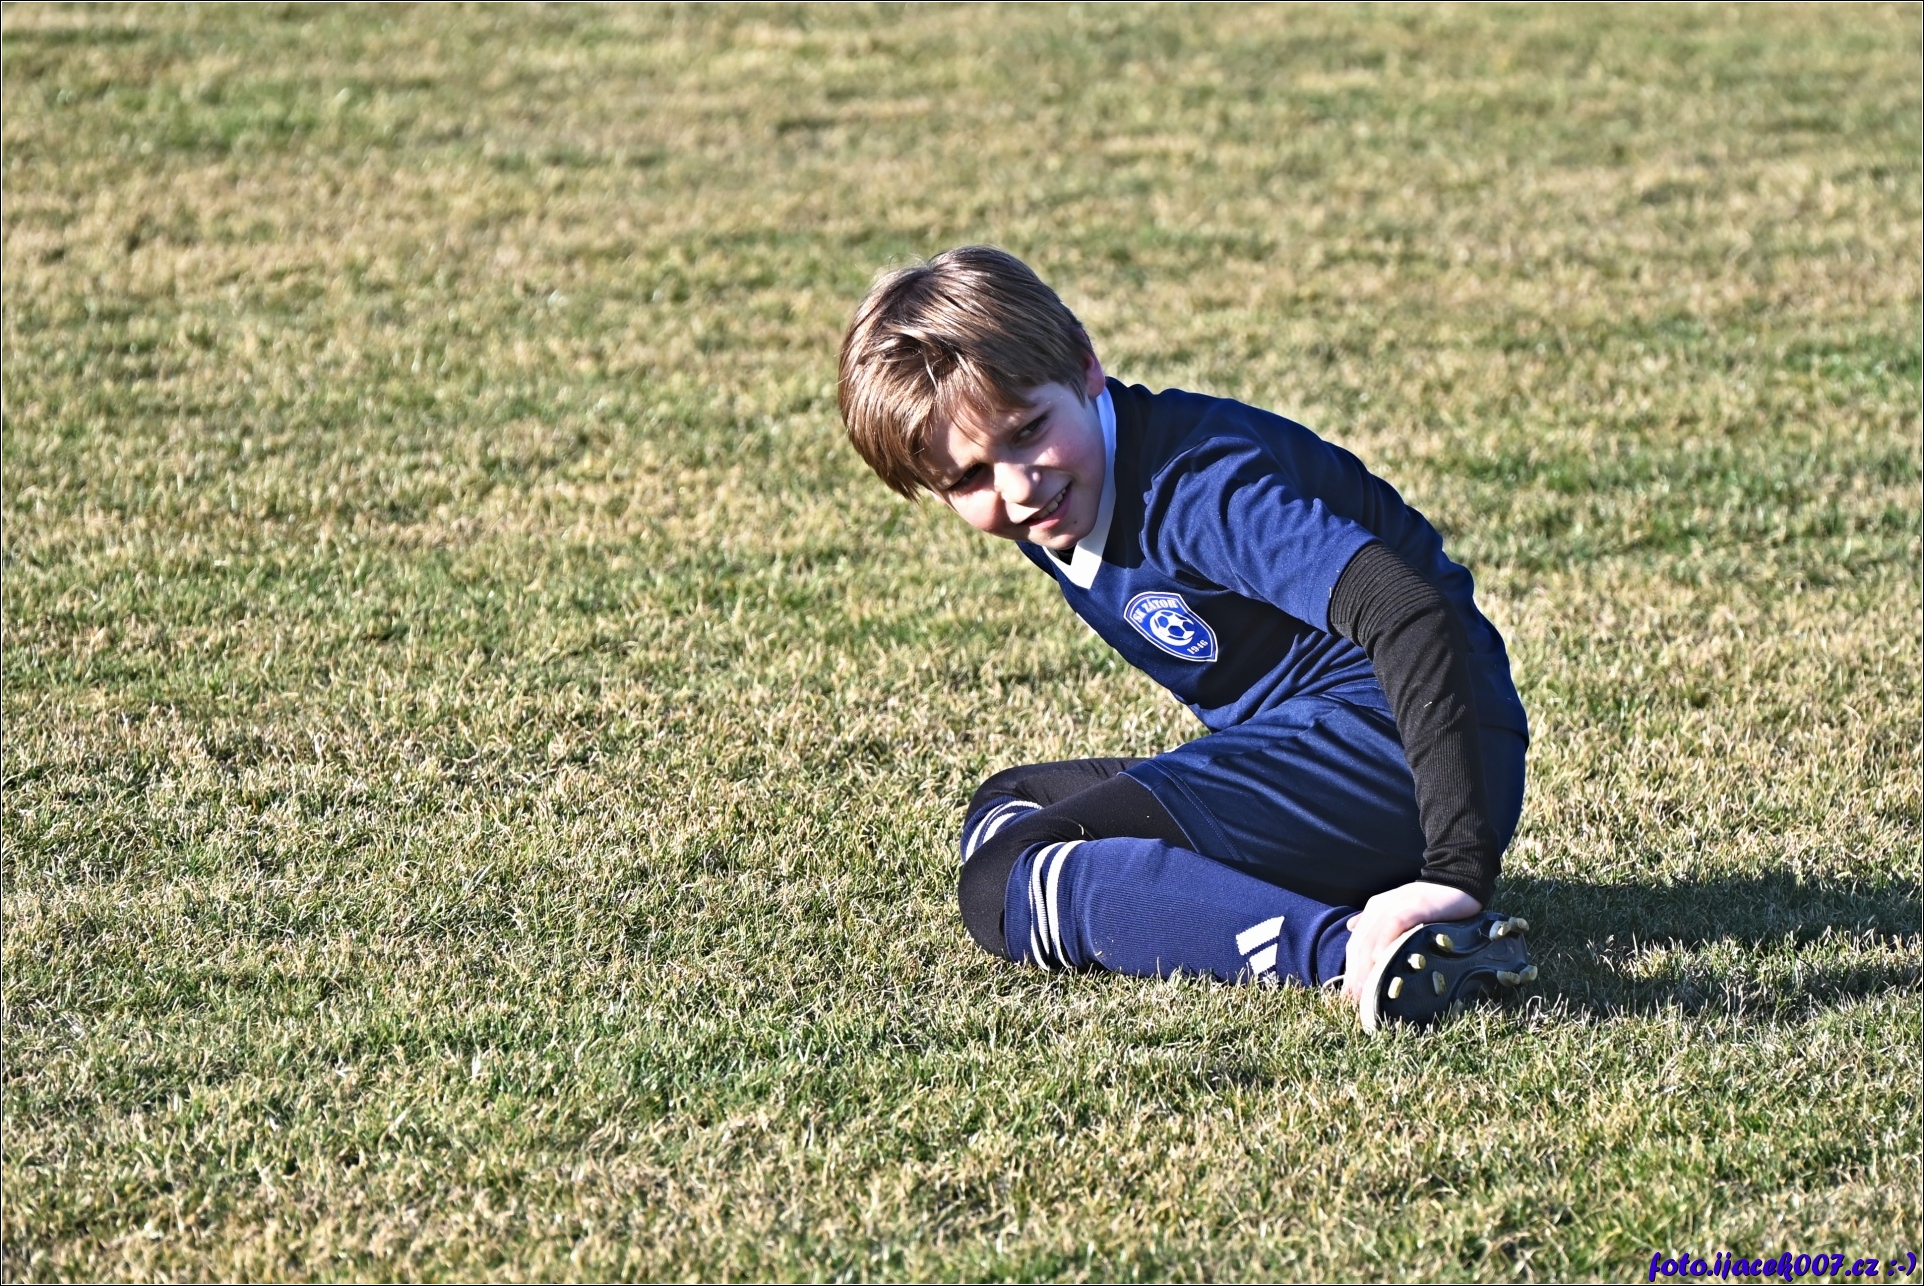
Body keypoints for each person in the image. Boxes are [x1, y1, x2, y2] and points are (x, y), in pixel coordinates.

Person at [835, 246, 1536, 1029]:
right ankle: (1234, 899)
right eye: (968, 478)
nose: (1019, 486)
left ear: (1085, 363)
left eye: (1028, 430)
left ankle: (1353, 954)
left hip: (1409, 750)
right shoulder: (1060, 493)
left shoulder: (1196, 488)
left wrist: (1456, 871)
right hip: (1338, 748)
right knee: (1011, 805)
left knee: (1002, 883)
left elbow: (1404, 608)